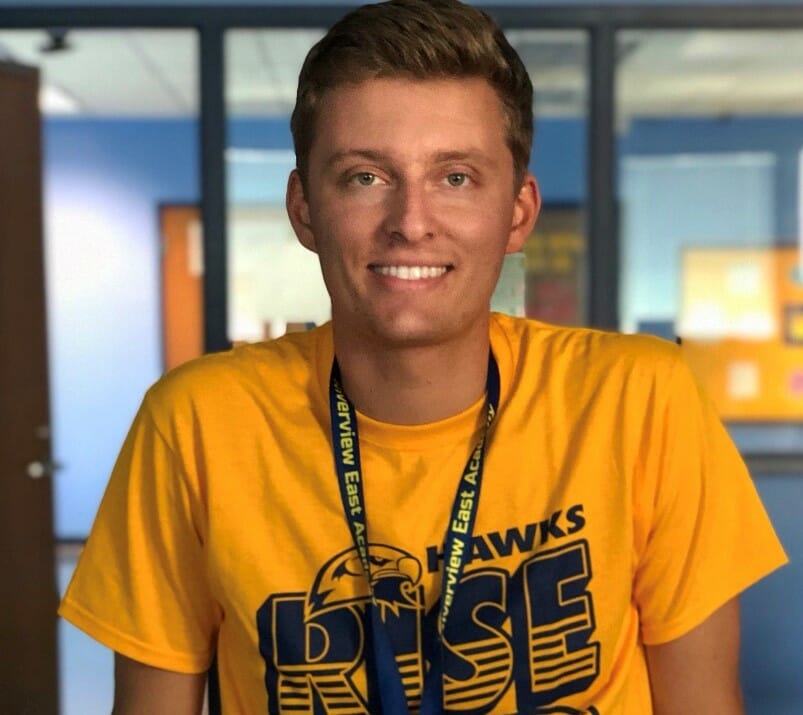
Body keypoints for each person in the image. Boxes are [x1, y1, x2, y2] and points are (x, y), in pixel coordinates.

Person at [59, 0, 787, 713]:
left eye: (455, 177)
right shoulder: (196, 424)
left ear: (517, 213)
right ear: (305, 209)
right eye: (365, 177)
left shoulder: (639, 399)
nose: (410, 222)